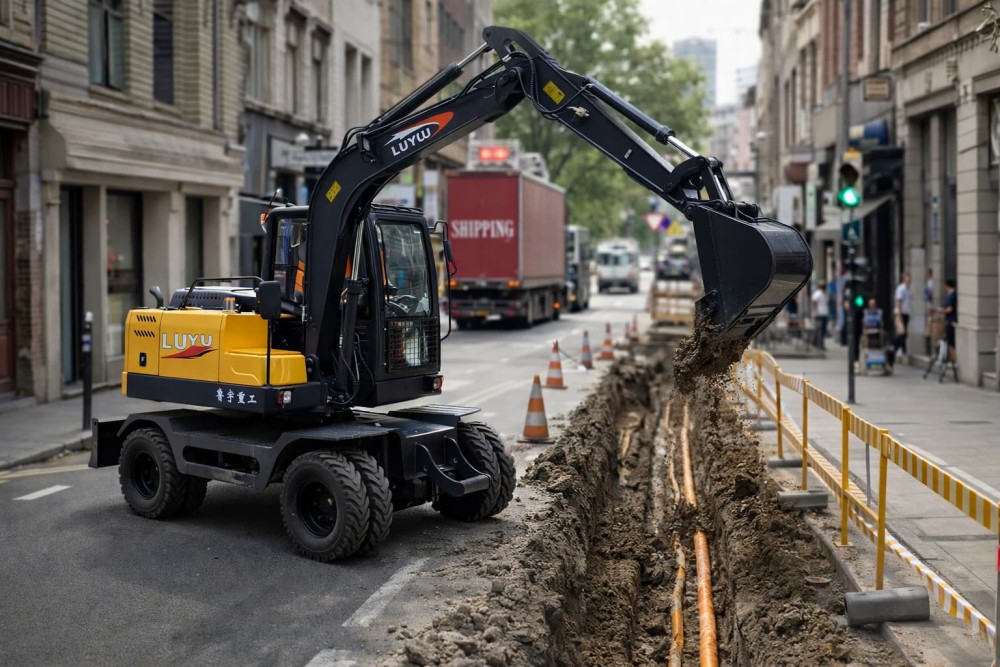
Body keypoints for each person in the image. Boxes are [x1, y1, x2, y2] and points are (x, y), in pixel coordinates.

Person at [893, 272, 912, 363]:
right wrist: (899, 315)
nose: (909, 280)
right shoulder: (901, 288)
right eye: (907, 278)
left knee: (903, 334)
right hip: (900, 313)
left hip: (906, 313)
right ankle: (902, 351)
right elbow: (899, 302)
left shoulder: (909, 289)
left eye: (910, 278)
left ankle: (895, 349)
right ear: (903, 278)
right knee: (902, 332)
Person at [942, 278, 957, 361]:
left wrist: (941, 311)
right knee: (949, 340)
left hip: (952, 320)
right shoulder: (950, 294)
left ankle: (954, 358)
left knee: (951, 341)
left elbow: (950, 309)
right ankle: (952, 358)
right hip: (949, 320)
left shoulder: (953, 294)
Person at [811, 281, 828, 350]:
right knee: (820, 330)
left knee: (823, 330)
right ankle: (819, 344)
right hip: (820, 314)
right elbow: (814, 302)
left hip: (824, 314)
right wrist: (815, 312)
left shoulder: (824, 294)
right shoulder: (818, 293)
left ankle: (818, 343)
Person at [924, 268, 935, 356]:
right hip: (928, 307)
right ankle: (928, 349)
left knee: (929, 327)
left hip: (930, 307)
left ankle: (929, 350)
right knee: (928, 327)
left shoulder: (931, 283)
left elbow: (929, 295)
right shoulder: (928, 283)